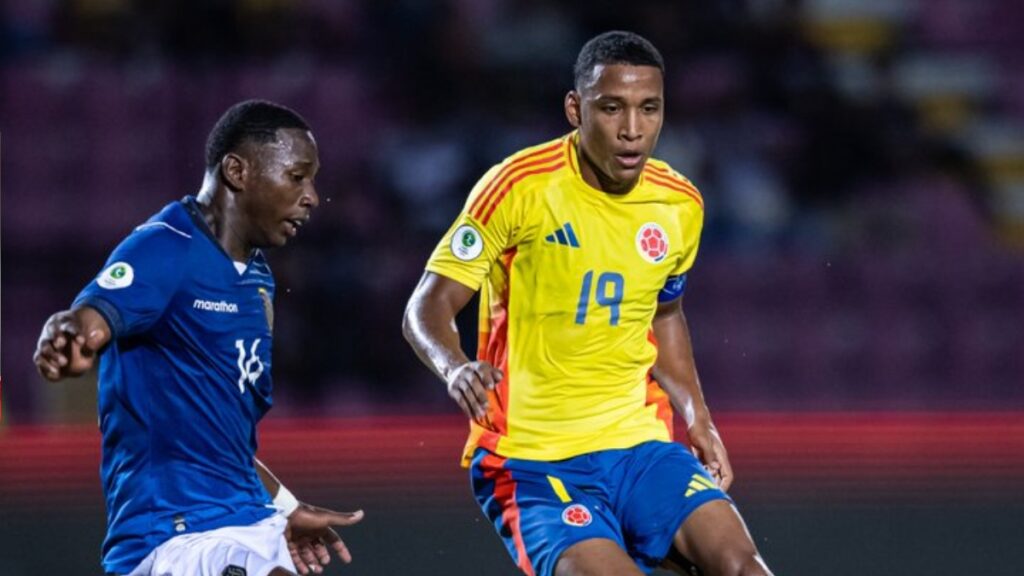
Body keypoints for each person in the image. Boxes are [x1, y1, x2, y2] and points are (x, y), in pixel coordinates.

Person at [403, 31, 772, 576]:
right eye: (612, 108)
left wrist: (698, 416)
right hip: (531, 458)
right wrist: (454, 367)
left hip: (640, 447)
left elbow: (664, 313)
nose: (632, 130)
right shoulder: (518, 186)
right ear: (576, 109)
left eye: (649, 109)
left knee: (742, 567)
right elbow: (425, 308)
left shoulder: (679, 204)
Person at [33, 100, 362, 576]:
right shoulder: (166, 247)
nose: (312, 196)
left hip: (250, 522)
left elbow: (223, 443)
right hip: (173, 536)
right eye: (297, 176)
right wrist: (65, 335)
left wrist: (287, 506)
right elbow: (89, 319)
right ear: (236, 170)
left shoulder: (257, 280)